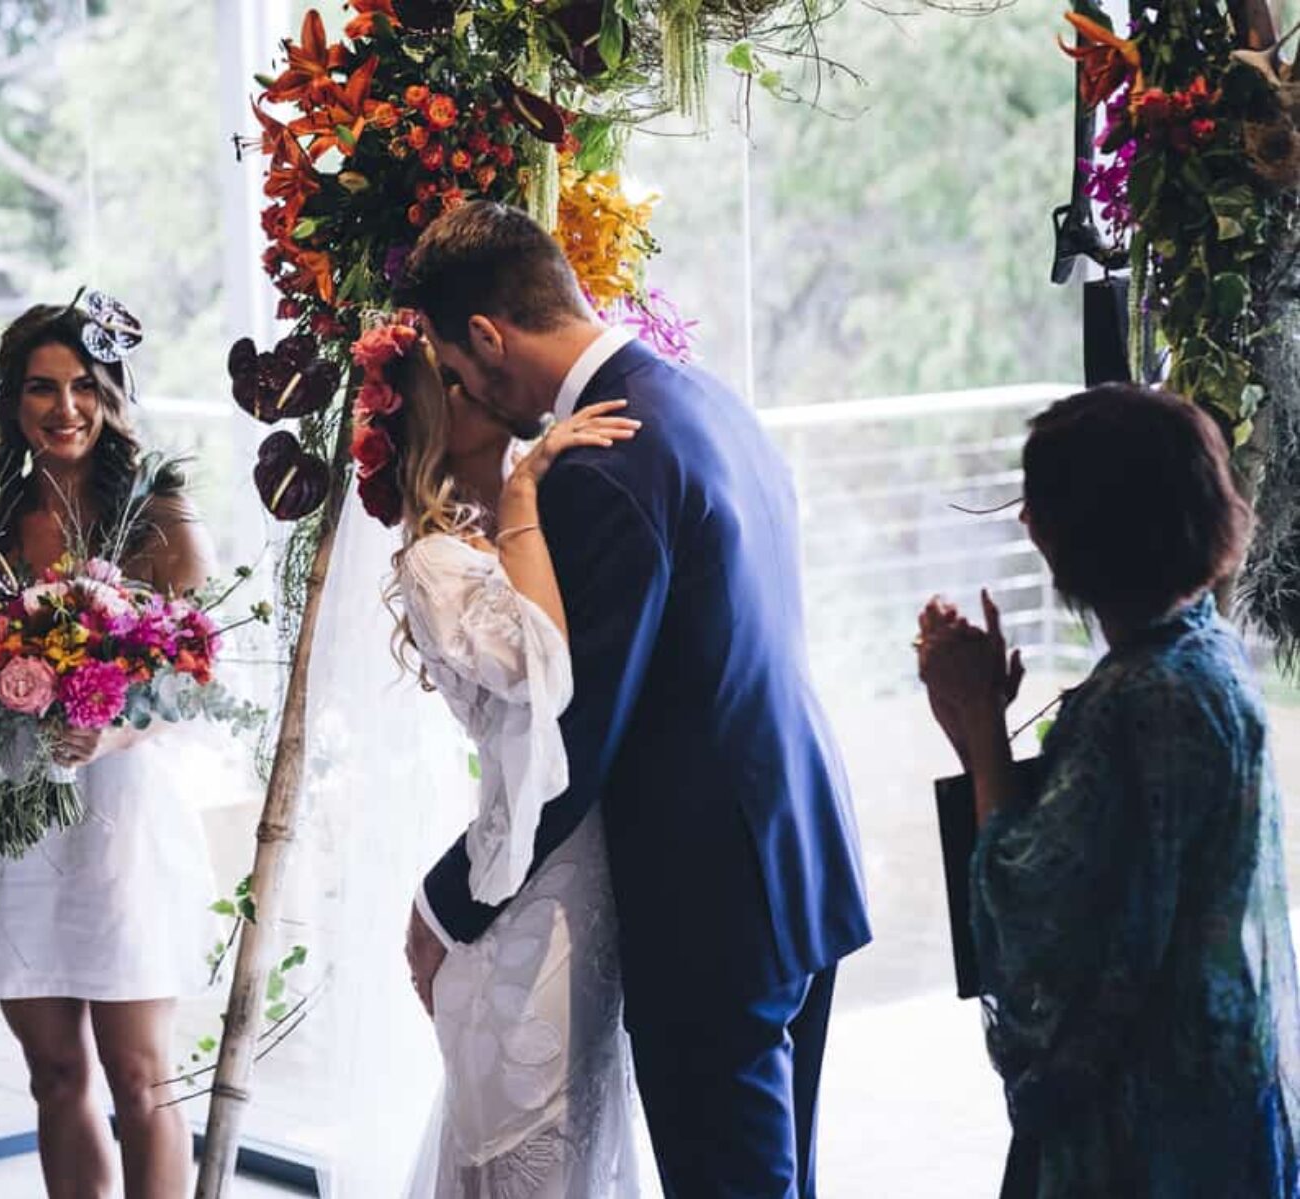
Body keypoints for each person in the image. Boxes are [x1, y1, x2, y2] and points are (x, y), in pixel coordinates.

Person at [395, 200, 872, 1198]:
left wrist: (443, 904)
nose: (461, 389)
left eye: (454, 365)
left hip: (715, 899)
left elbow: (574, 732)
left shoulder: (603, 462)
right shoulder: (700, 398)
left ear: (487, 338)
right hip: (799, 847)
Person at [916, 382, 1300, 1198]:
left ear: (1093, 532)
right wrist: (975, 724)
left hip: (1152, 1127)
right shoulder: (1206, 650)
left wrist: (983, 727)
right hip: (1225, 1085)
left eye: (1040, 503)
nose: (1027, 523)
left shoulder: (1141, 698)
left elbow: (1035, 916)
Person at [0, 296, 221, 1199]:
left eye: (85, 389)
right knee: (54, 1074)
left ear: (112, 397)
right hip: (19, 809)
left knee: (139, 1075)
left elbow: (200, 683)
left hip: (120, 814)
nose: (65, 409)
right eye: (42, 389)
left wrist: (117, 730)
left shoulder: (163, 523)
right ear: (12, 405)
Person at [355, 311, 645, 1195]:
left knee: (587, 1145)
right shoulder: (438, 563)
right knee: (531, 1154)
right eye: (450, 378)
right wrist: (522, 497)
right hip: (524, 900)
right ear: (428, 420)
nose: (477, 379)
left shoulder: (551, 507)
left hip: (585, 874)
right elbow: (546, 673)